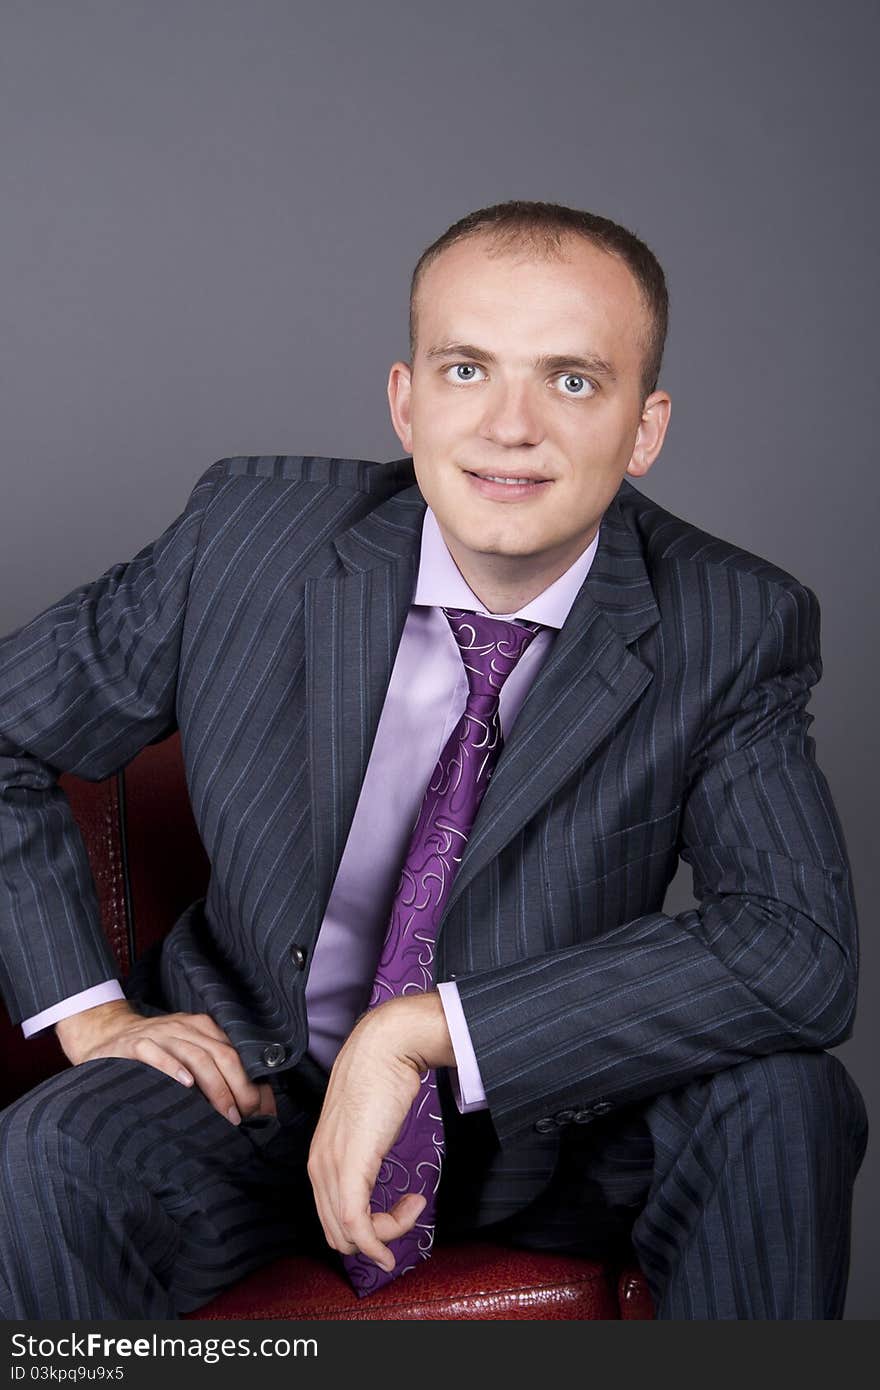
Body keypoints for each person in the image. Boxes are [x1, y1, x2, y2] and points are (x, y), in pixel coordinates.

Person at [0, 200, 867, 1319]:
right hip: (250, 1094)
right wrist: (91, 1013)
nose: (510, 427)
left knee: (790, 1099)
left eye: (570, 381)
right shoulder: (246, 538)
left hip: (552, 1119)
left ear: (644, 427)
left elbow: (796, 947)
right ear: (405, 401)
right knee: (54, 1149)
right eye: (467, 370)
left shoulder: (730, 619)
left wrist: (420, 1036)